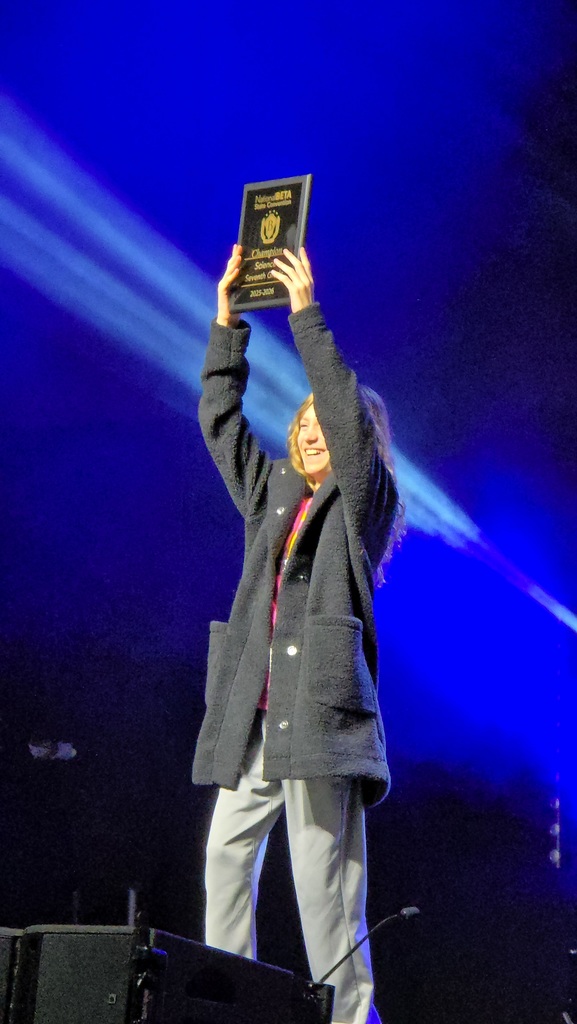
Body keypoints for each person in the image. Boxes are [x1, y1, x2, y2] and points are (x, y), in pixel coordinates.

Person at [193, 244, 402, 1024]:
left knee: (323, 894)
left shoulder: (361, 507)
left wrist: (305, 316)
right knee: (224, 858)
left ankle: (352, 1022)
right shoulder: (270, 492)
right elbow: (220, 422)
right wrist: (227, 327)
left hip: (318, 719)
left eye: (325, 421)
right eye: (303, 421)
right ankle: (230, 1008)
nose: (313, 431)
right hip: (256, 717)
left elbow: (346, 422)